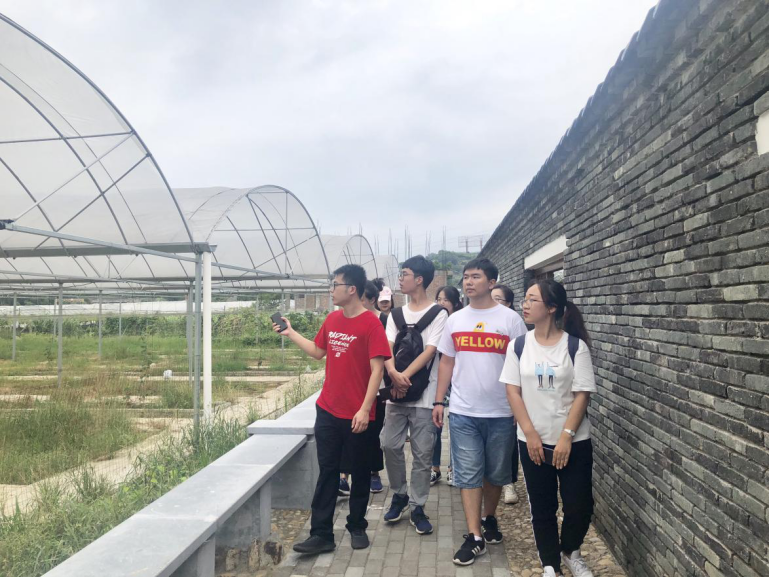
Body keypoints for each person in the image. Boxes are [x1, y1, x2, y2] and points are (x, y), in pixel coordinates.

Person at [274, 264, 391, 555]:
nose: (331, 289)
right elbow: (318, 352)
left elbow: (377, 370)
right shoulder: (332, 319)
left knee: (360, 471)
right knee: (327, 470)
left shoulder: (371, 324)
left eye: (335, 284)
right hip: (327, 409)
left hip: (357, 413)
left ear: (351, 289)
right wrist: (291, 333)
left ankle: (357, 525)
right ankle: (321, 534)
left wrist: (365, 409)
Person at [432, 258, 527, 566]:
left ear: (492, 282)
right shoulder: (456, 320)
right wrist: (438, 401)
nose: (469, 282)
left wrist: (522, 409)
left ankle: (489, 517)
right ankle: (475, 536)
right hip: (463, 411)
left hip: (501, 411)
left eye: (475, 276)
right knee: (469, 472)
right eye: (466, 277)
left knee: (495, 473)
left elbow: (522, 364)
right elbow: (447, 362)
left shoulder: (510, 320)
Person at [499, 280, 597, 577]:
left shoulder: (575, 347)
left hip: (574, 441)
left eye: (533, 299)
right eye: (525, 299)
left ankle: (570, 551)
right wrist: (530, 434)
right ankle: (550, 564)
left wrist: (567, 436)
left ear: (552, 307)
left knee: (579, 505)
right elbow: (513, 391)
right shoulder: (518, 346)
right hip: (533, 442)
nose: (525, 305)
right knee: (542, 506)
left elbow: (582, 394)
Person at [380, 255, 448, 536]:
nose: (400, 279)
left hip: (424, 395)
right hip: (395, 395)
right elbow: (387, 347)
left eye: (404, 274)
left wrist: (402, 376)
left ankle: (418, 505)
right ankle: (399, 494)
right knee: (389, 445)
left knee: (422, 454)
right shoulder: (396, 315)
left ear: (419, 279)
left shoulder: (438, 313)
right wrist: (393, 374)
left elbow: (431, 351)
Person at [339, 278, 388, 495]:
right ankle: (344, 476)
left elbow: (385, 358)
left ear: (372, 300)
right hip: (352, 387)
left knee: (372, 434)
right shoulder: (347, 319)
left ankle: (373, 473)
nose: (359, 303)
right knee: (347, 432)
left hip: (377, 388)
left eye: (363, 299)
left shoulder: (383, 321)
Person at [430, 285, 463, 486]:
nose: (441, 303)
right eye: (439, 299)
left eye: (446, 300)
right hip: (437, 379)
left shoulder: (459, 322)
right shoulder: (434, 322)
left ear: (455, 303)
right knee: (436, 425)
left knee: (455, 427)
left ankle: (453, 468)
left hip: (456, 380)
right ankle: (435, 468)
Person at [491, 284, 521, 506]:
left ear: (509, 303)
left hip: (508, 394)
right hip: (483, 397)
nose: (493, 303)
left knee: (508, 444)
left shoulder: (512, 322)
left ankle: (509, 482)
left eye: (499, 299)